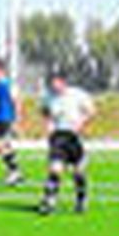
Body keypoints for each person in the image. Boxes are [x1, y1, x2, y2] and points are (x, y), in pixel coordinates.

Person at [35, 73, 96, 214]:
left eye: (56, 83)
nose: (54, 86)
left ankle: (81, 199)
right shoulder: (49, 97)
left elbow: (91, 111)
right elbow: (43, 110)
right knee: (55, 169)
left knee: (78, 171)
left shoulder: (77, 94)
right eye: (52, 84)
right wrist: (49, 122)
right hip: (57, 137)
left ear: (63, 82)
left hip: (74, 136)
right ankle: (49, 201)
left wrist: (82, 123)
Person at [0, 54, 24, 184]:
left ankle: (15, 171)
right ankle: (14, 172)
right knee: (6, 147)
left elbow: (17, 102)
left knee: (1, 148)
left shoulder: (8, 84)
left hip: (7, 119)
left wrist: (17, 121)